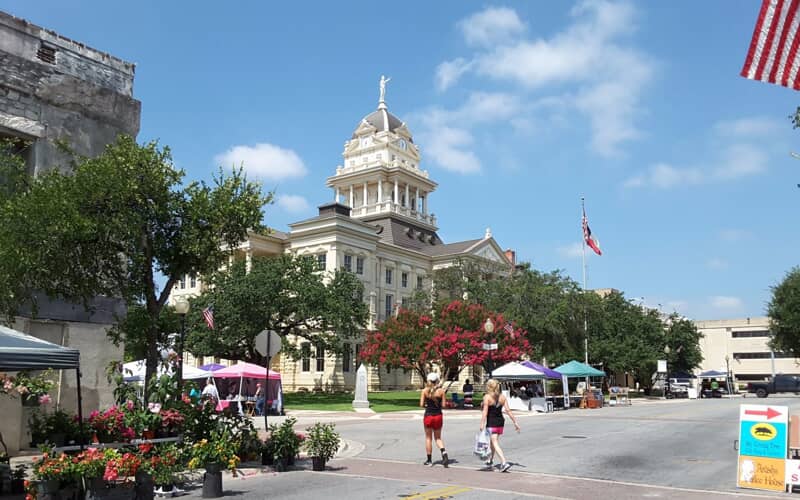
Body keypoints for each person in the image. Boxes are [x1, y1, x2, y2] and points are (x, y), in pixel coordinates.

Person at [480, 378, 520, 473]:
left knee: (494, 442)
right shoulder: (502, 397)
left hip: (492, 422)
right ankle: (490, 461)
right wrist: (515, 422)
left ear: (489, 387)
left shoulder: (487, 397)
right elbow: (508, 410)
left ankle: (503, 462)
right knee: (492, 442)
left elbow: (485, 412)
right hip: (500, 421)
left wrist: (482, 423)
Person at [419, 372, 449, 467]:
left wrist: (427, 405)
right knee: (438, 438)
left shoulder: (425, 391)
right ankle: (443, 452)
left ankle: (429, 460)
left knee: (428, 438)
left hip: (428, 415)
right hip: (438, 415)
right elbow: (444, 405)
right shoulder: (441, 391)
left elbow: (421, 404)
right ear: (437, 381)